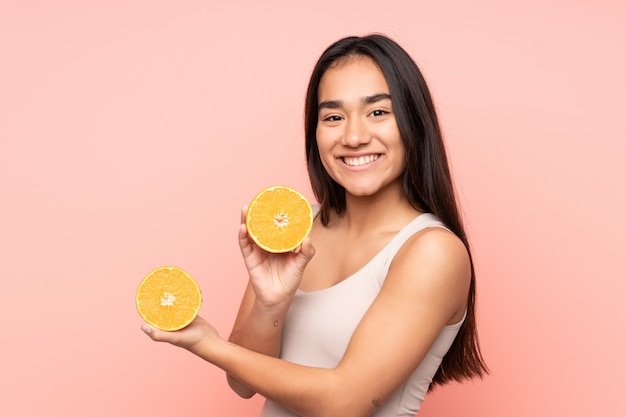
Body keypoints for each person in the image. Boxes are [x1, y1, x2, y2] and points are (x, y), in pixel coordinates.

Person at [141, 33, 488, 416]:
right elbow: (241, 383)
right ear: (316, 133)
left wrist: (206, 343)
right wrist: (272, 302)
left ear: (413, 123)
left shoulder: (432, 252)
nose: (354, 137)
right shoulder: (293, 227)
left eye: (378, 112)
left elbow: (344, 402)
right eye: (333, 117)